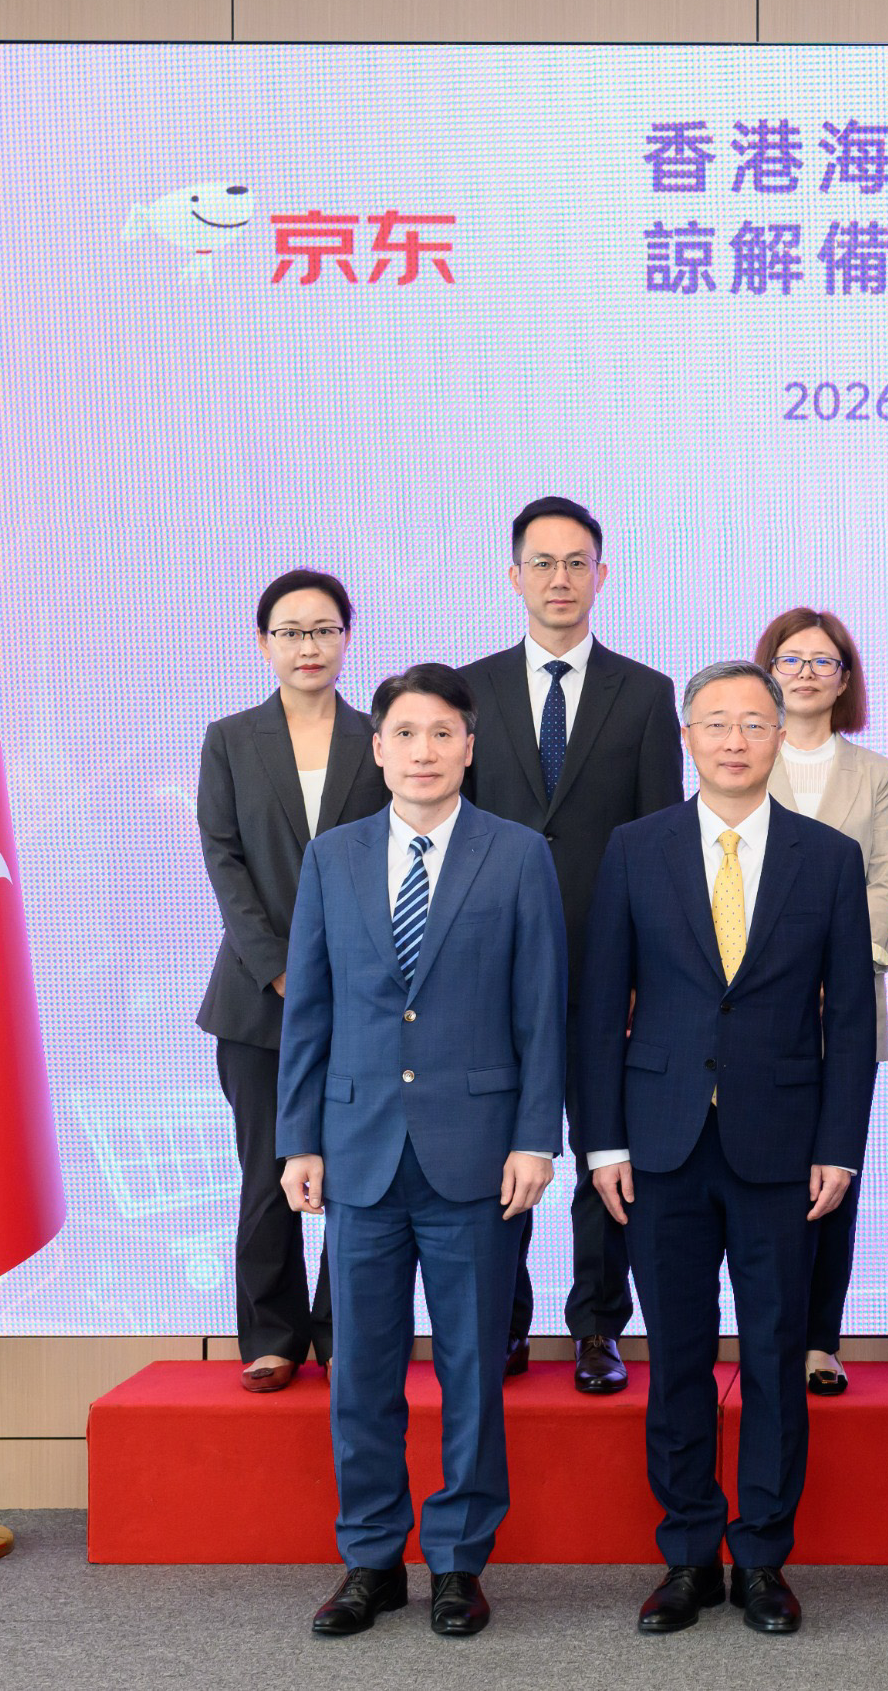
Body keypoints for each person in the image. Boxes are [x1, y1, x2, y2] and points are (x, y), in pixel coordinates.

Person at [581, 661, 877, 1637]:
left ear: (779, 732)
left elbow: (850, 1016)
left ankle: (760, 1556)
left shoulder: (827, 856)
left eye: (754, 722)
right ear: (688, 736)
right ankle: (686, 1554)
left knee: (775, 1353)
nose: (736, 739)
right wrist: (602, 1141)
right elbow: (601, 1006)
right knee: (675, 1356)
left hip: (782, 1146)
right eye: (716, 722)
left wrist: (841, 1144)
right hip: (659, 1144)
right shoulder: (636, 848)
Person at [275, 663, 567, 1640]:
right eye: (405, 733)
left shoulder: (518, 855)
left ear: (470, 747)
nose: (424, 751)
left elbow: (542, 1008)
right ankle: (370, 1558)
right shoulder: (333, 857)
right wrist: (298, 1137)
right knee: (361, 1371)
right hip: (358, 1149)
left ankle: (457, 1562)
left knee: (471, 1370)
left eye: (443, 733)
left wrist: (536, 1136)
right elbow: (309, 1012)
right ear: (378, 747)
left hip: (477, 1155)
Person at [459, 496, 682, 1393]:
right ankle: (503, 1322)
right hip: (492, 965)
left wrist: (648, 973)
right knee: (497, 1148)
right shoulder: (468, 692)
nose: (560, 578)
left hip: (606, 964)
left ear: (601, 574)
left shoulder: (647, 692)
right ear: (514, 576)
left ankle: (596, 1326)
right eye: (543, 563)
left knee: (603, 1151)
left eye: (576, 562)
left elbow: (660, 845)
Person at [197, 570, 390, 1393]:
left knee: (357, 1175)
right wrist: (277, 965)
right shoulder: (230, 739)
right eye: (290, 631)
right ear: (263, 643)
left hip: (366, 996)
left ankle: (344, 1333)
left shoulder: (381, 736)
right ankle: (272, 1334)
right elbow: (223, 859)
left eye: (323, 629)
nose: (308, 646)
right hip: (256, 998)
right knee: (266, 1171)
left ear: (346, 636)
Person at [758, 608, 888, 1396]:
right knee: (766, 1174)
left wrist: (841, 974)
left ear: (845, 679)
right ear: (768, 670)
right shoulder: (742, 756)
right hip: (757, 1006)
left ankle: (820, 1340)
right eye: (791, 659)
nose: (807, 673)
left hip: (846, 1003)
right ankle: (768, 1334)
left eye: (824, 661)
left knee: (834, 1173)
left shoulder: (875, 773)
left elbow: (884, 880)